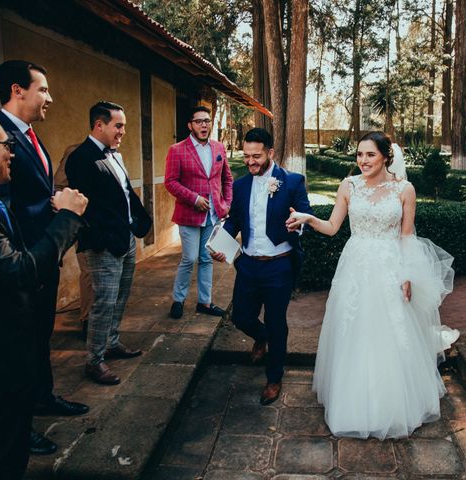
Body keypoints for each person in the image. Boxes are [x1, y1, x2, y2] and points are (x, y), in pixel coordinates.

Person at [286, 131, 458, 440]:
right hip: (355, 267)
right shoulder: (348, 186)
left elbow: (407, 235)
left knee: (390, 332)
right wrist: (308, 218)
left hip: (391, 266)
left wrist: (407, 274)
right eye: (360, 155)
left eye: (370, 155)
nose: (363, 160)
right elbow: (333, 227)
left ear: (385, 156)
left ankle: (393, 405)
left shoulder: (405, 189)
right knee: (355, 329)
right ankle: (352, 403)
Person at [0, 107, 88, 479]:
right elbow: (18, 269)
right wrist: (66, 218)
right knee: (1, 460)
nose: (12, 153)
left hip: (8, 356)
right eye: (5, 145)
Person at [0, 60, 88, 455]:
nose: (50, 97)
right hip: (23, 259)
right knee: (18, 347)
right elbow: (4, 208)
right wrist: (58, 211)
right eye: (43, 89)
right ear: (18, 90)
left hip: (44, 256)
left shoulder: (31, 136)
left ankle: (43, 396)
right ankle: (20, 424)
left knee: (40, 336)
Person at [211, 128, 312, 405]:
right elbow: (234, 220)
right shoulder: (242, 186)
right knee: (241, 317)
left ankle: (274, 377)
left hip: (279, 266)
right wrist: (221, 243)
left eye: (256, 156)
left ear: (270, 153)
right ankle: (262, 338)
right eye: (246, 156)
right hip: (247, 265)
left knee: (276, 321)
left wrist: (298, 222)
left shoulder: (291, 182)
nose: (250, 161)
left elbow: (307, 214)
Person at [65, 101, 152, 385]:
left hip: (125, 238)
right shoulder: (81, 158)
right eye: (118, 125)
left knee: (122, 295)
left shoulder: (115, 155)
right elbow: (84, 206)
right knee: (103, 301)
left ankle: (112, 342)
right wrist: (103, 239)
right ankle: (94, 360)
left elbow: (126, 193)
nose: (122, 132)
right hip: (102, 244)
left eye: (123, 126)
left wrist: (140, 222)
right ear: (99, 125)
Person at [164, 106, 233, 319]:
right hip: (189, 214)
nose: (204, 125)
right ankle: (178, 299)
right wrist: (193, 198)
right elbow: (170, 182)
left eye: (207, 121)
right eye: (199, 121)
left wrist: (226, 203)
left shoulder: (219, 147)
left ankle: (205, 302)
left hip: (213, 215)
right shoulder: (177, 149)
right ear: (190, 125)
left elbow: (227, 179)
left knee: (206, 258)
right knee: (189, 258)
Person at [55, 143, 93, 340]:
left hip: (111, 228)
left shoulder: (114, 154)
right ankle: (88, 320)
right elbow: (59, 185)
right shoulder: (75, 151)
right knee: (89, 272)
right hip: (86, 224)